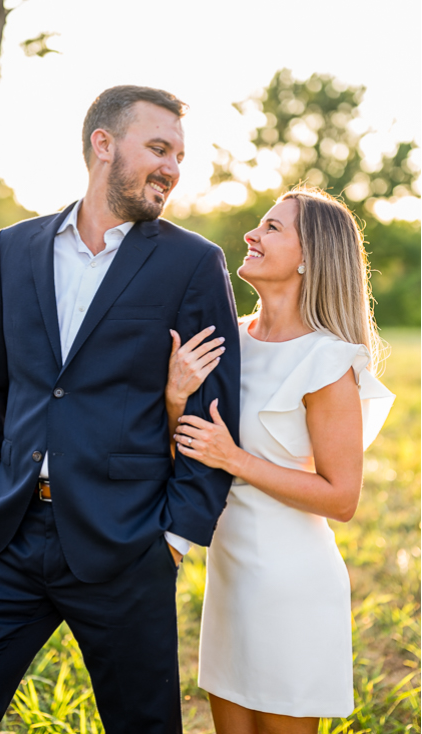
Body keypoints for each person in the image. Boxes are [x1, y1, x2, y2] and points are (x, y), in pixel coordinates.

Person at [0, 85, 241, 733]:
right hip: (6, 536)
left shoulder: (192, 264)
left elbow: (214, 416)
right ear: (103, 144)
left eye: (179, 156)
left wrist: (174, 541)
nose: (172, 168)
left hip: (127, 545)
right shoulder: (16, 248)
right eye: (157, 147)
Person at [167, 187, 394, 733]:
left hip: (293, 585)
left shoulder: (328, 360)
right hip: (229, 576)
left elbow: (342, 498)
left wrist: (236, 459)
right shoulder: (228, 339)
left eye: (272, 228)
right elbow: (191, 449)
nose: (251, 234)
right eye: (259, 224)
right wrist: (174, 396)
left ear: (310, 258)